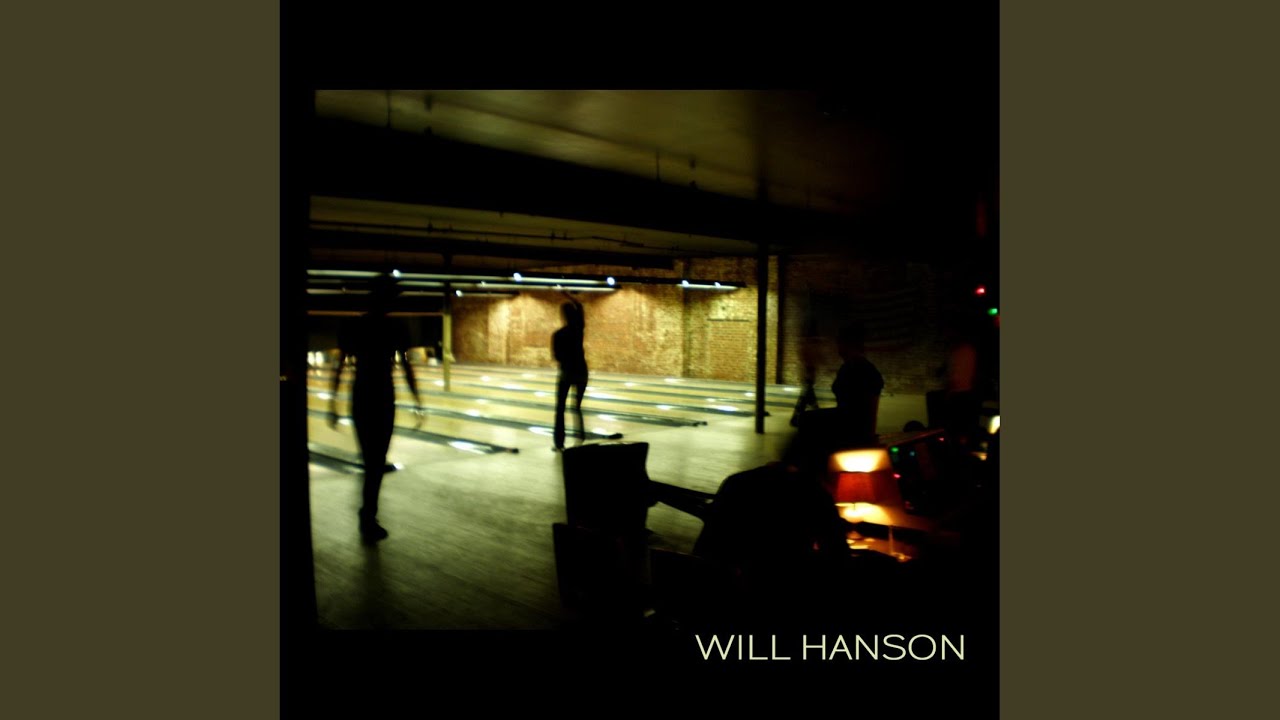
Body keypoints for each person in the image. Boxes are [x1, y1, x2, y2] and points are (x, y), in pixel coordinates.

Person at [328, 275, 423, 542]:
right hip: (381, 396)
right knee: (375, 462)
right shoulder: (395, 327)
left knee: (373, 461)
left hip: (362, 395)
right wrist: (417, 400)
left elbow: (340, 365)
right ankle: (368, 515)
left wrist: (333, 402)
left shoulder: (354, 325)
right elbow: (406, 366)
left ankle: (368, 514)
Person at [831, 322, 884, 444]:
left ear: (848, 345)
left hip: (853, 434)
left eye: (839, 343)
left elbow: (868, 411)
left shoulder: (857, 369)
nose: (837, 347)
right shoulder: (851, 367)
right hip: (852, 431)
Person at [551, 292, 588, 451]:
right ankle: (580, 436)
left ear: (563, 316)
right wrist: (569, 295)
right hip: (581, 372)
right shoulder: (579, 329)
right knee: (576, 407)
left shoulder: (558, 335)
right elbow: (580, 306)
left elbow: (556, 357)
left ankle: (559, 443)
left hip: (566, 373)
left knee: (560, 409)